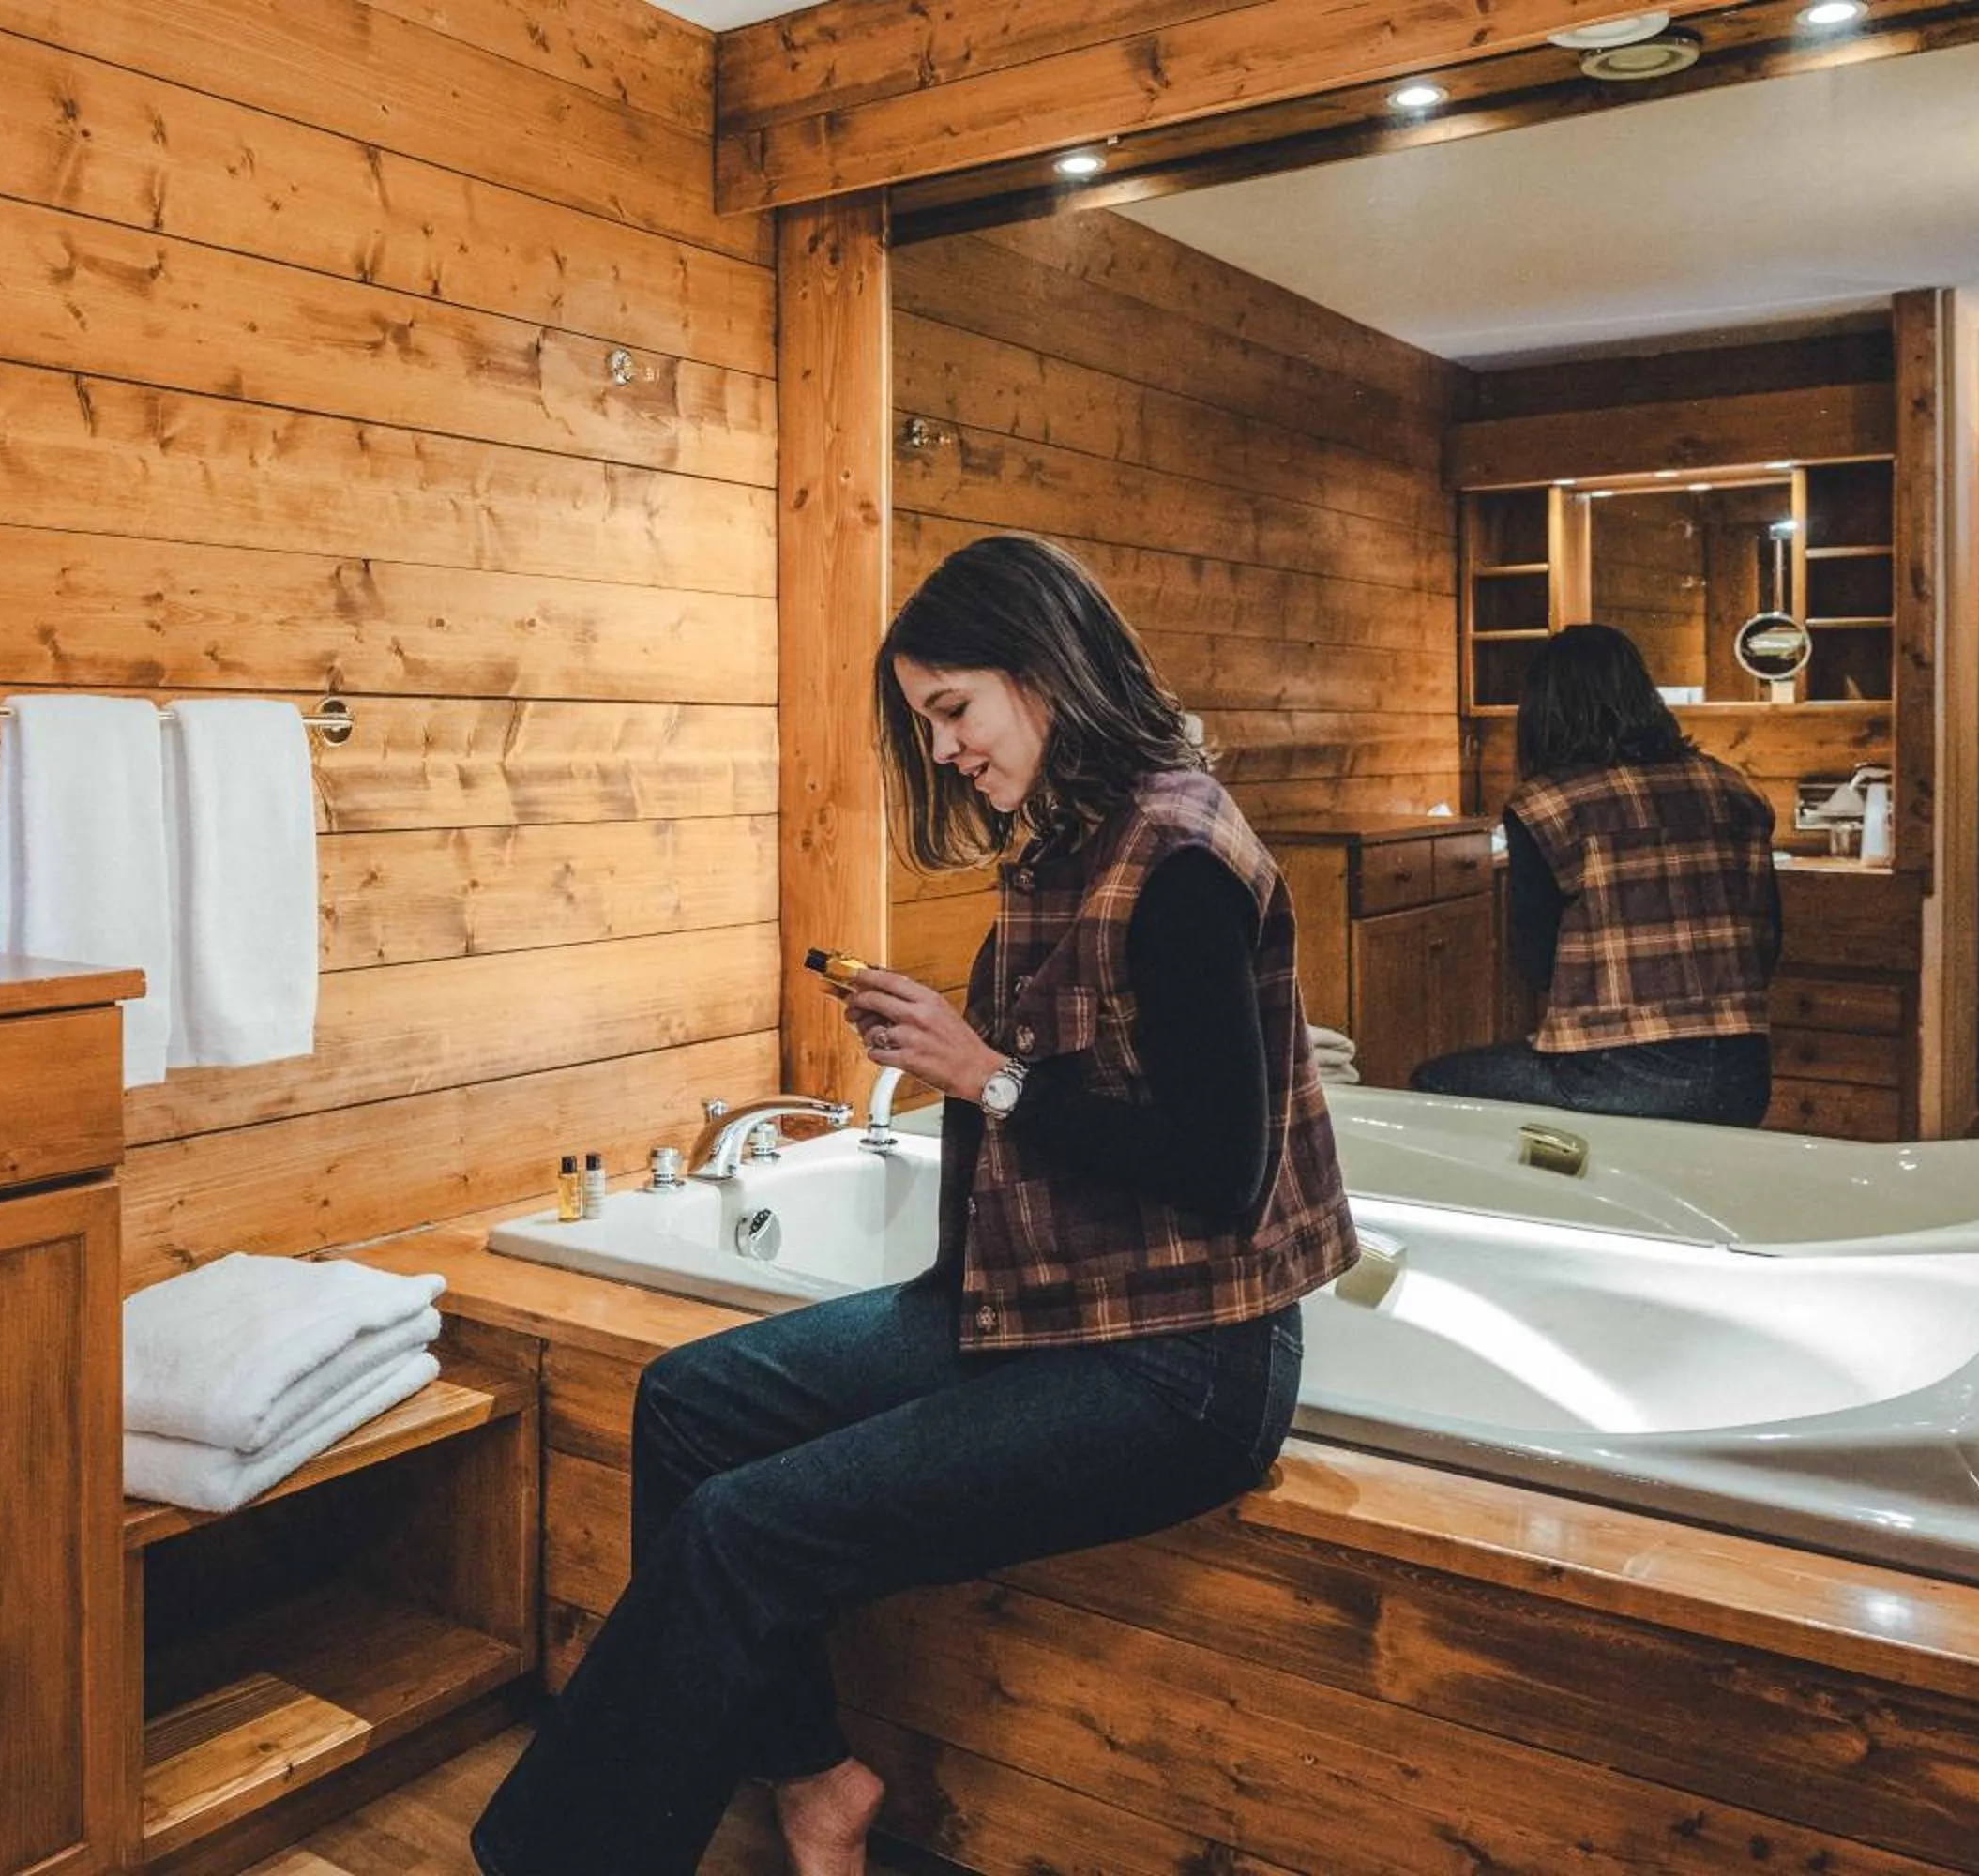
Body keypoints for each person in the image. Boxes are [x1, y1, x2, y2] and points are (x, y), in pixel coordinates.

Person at [470, 535, 1355, 1876]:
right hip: (1039, 1311)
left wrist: (981, 1073)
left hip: (1183, 1365)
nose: (941, 750)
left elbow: (1221, 1169)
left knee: (739, 1526)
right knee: (687, 1405)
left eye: (953, 712)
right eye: (925, 722)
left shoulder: (1175, 858)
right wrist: (964, 1067)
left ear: (1046, 672)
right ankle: (817, 1776)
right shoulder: (1068, 843)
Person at [1411, 622, 1779, 1126]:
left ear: (1543, 713)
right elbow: (1767, 942)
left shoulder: (1547, 805)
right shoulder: (1732, 790)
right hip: (1743, 1075)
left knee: (1434, 1083)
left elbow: (1537, 961)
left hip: (1615, 1075)